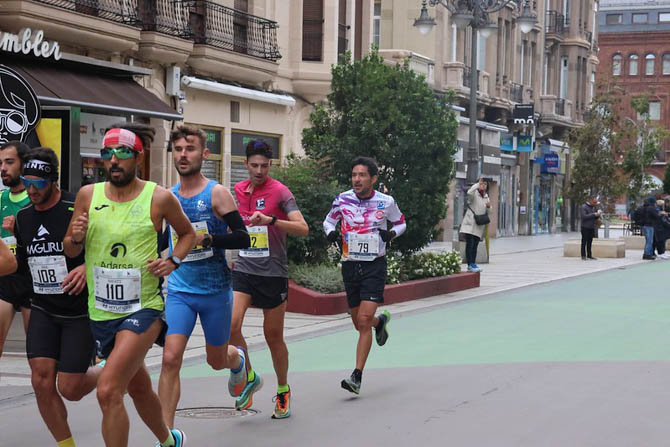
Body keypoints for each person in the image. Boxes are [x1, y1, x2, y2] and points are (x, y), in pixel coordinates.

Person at [64, 124, 195, 447]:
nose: (113, 160)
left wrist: (173, 261)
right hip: (101, 309)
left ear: (138, 157)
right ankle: (170, 440)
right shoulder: (87, 195)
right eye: (107, 153)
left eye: (122, 153)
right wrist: (75, 238)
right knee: (138, 387)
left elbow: (188, 234)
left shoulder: (159, 197)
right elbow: (70, 248)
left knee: (109, 390)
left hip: (143, 309)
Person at [158, 125, 250, 428]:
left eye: (190, 149)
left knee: (215, 360)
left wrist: (210, 240)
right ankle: (166, 436)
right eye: (179, 149)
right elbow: (163, 241)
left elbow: (243, 237)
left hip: (215, 292)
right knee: (170, 358)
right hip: (180, 291)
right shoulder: (167, 196)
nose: (183, 155)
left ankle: (237, 361)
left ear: (205, 154)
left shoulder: (216, 193)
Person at [14, 148, 101, 447]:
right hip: (43, 308)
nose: (31, 190)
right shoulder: (23, 217)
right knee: (40, 380)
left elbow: (107, 249)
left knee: (71, 388)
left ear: (53, 180)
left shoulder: (76, 207)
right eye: (27, 182)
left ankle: (110, 370)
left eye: (38, 183)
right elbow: (23, 264)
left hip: (78, 311)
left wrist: (87, 269)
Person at [229, 140, 308, 419]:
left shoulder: (280, 192)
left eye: (264, 166)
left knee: (273, 336)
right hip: (245, 268)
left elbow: (303, 228)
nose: (259, 171)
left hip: (273, 272)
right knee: (231, 325)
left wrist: (272, 221)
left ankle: (283, 389)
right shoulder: (238, 190)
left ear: (270, 165)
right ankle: (249, 376)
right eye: (254, 165)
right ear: (245, 164)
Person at [323, 156, 406, 395]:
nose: (357, 179)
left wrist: (391, 234)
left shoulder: (386, 201)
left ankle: (356, 376)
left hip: (374, 266)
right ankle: (380, 323)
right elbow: (328, 221)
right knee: (359, 323)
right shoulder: (342, 199)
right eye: (354, 175)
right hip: (350, 265)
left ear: (373, 178)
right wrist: (330, 233)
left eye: (362, 175)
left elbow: (401, 223)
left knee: (363, 320)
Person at [0, 140, 31, 358]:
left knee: (38, 355)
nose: (3, 168)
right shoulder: (1, 198)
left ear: (24, 164)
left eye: (9, 162)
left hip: (31, 279)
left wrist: (19, 231)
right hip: (5, 278)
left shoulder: (37, 198)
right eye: (0, 163)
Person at [459, 178, 490, 273]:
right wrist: (477, 185)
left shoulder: (486, 197)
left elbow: (489, 212)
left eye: (485, 184)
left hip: (479, 225)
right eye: (482, 184)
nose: (483, 186)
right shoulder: (474, 194)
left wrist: (489, 207)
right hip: (470, 223)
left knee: (475, 245)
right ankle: (470, 264)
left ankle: (473, 263)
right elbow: (469, 192)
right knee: (470, 244)